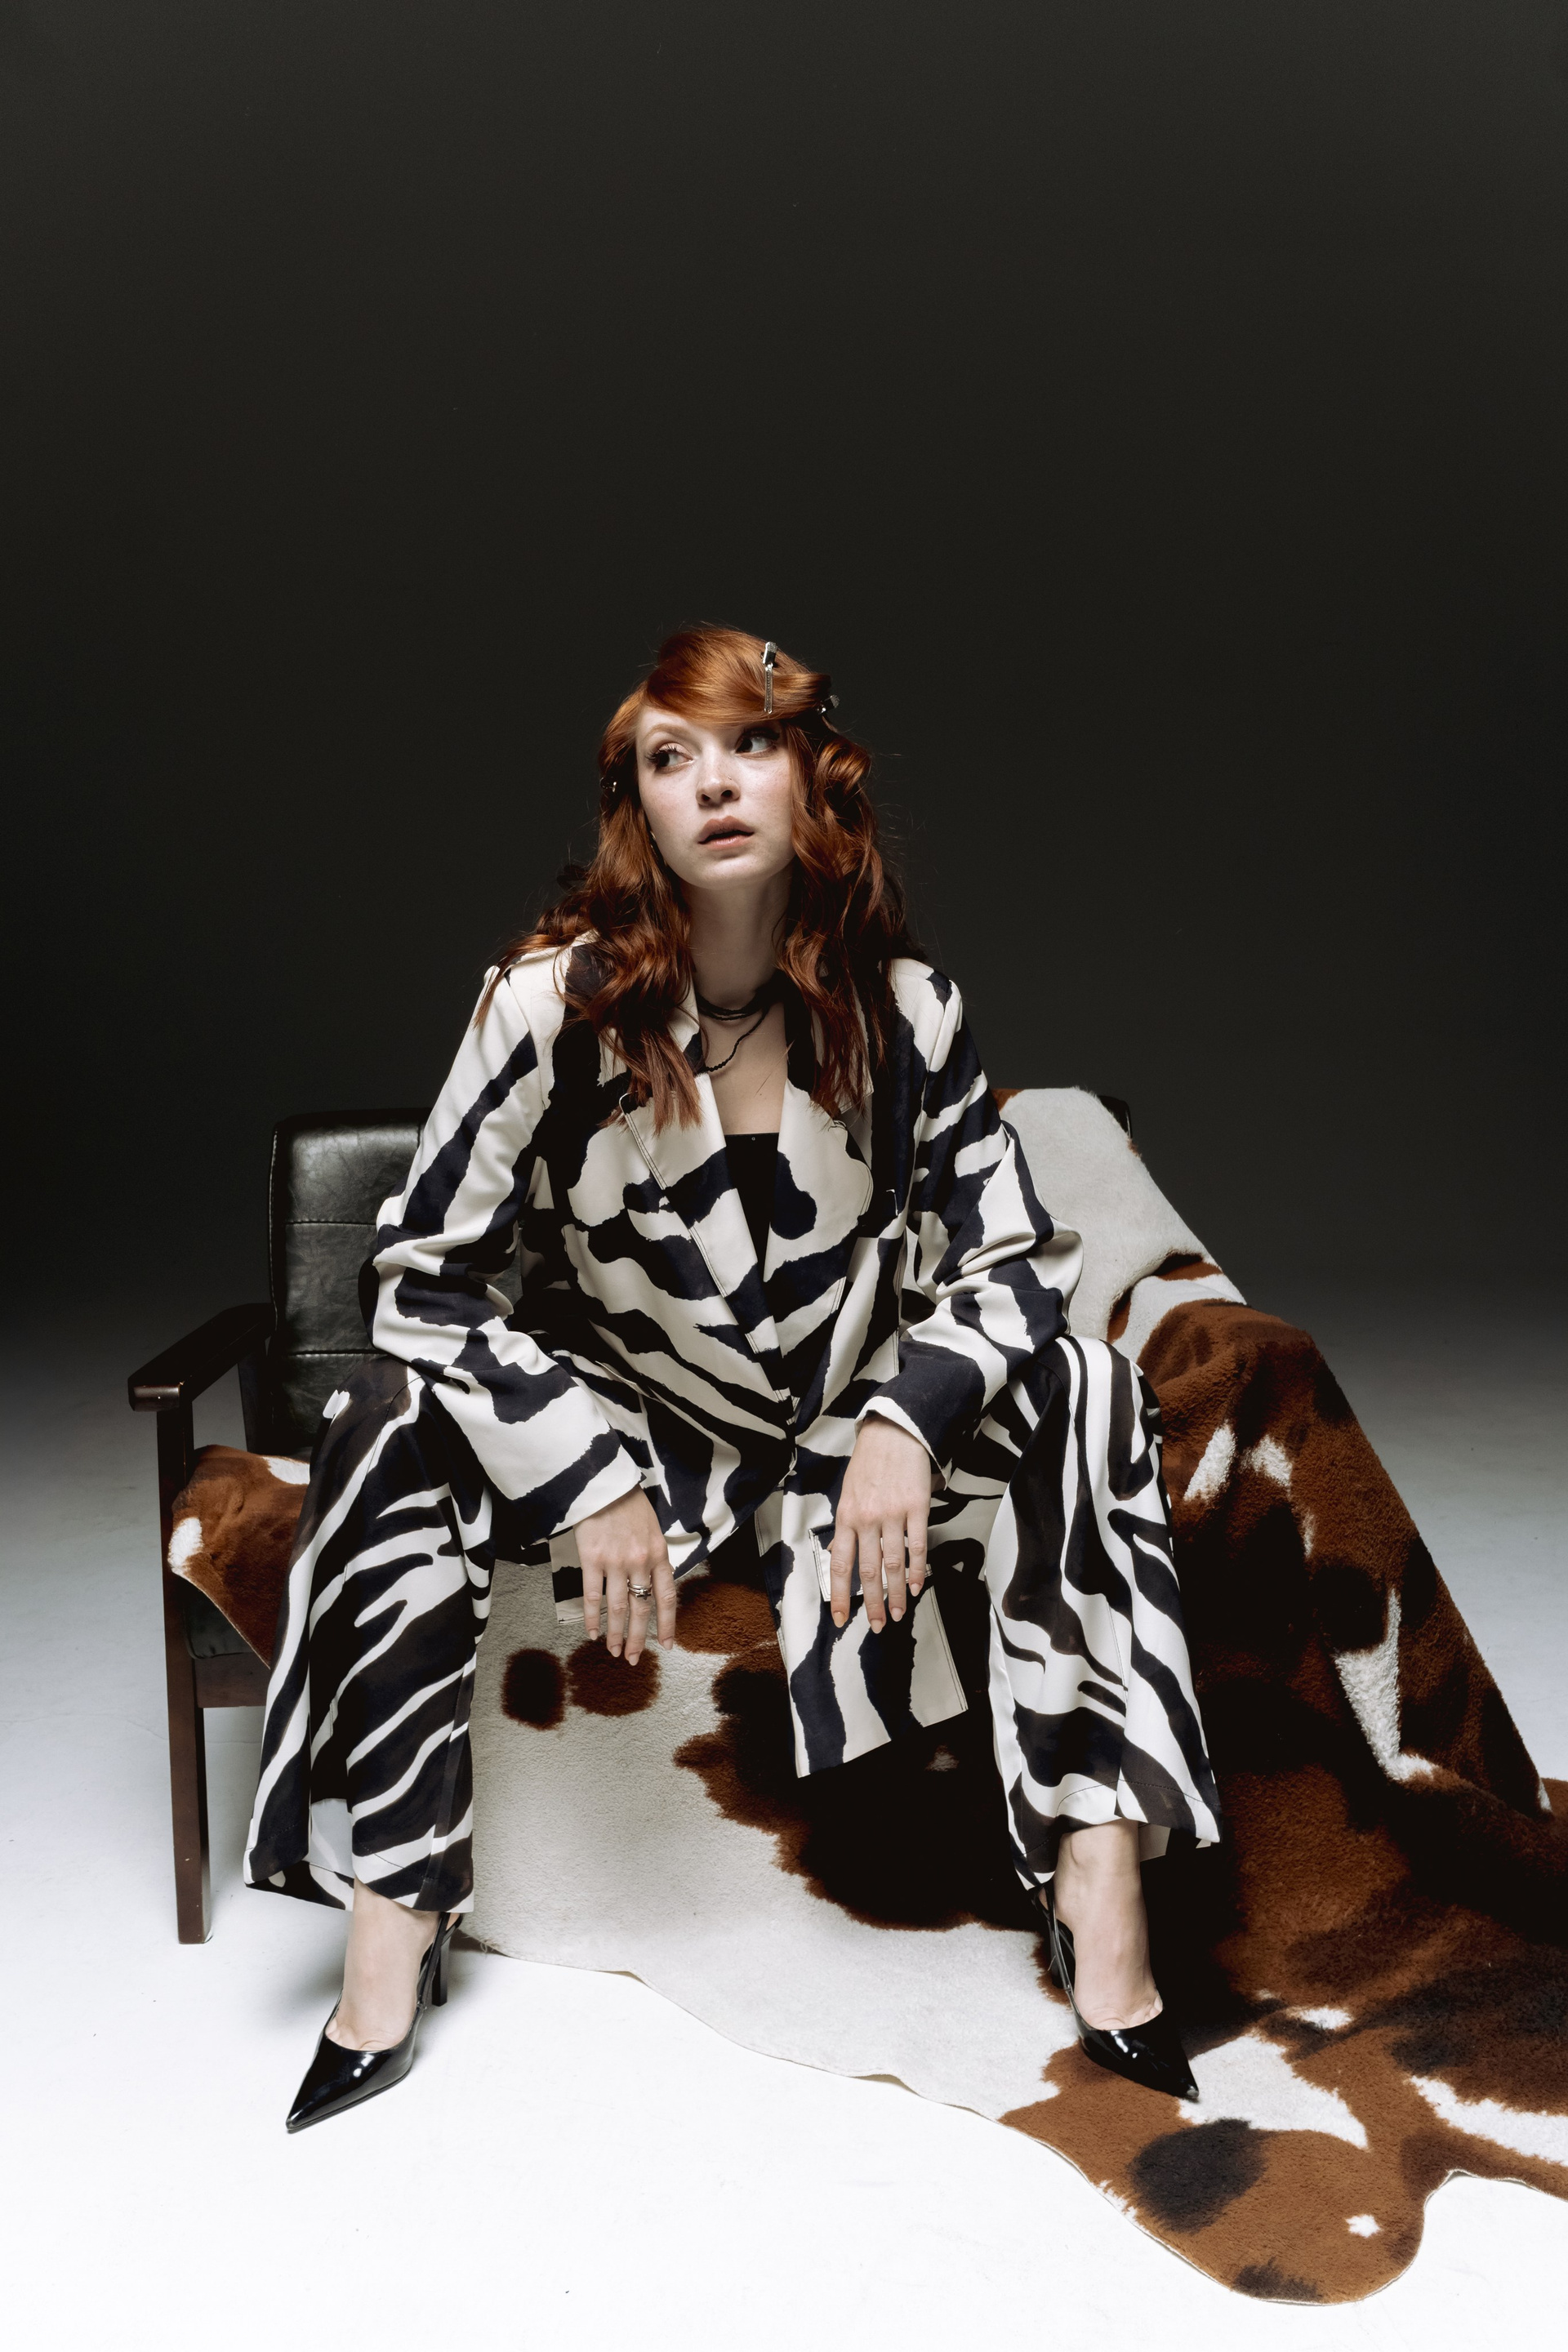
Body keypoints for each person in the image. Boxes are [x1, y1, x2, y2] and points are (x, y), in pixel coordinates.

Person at [247, 626, 1222, 2132]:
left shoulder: (906, 1012)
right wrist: (582, 1470)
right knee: (384, 1418)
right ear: (635, 804)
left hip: (847, 1441)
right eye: (670, 757)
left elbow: (1018, 1260)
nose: (713, 784)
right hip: (647, 1433)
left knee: (1083, 1383)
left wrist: (909, 1421)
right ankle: (396, 1905)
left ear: (810, 773)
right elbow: (421, 1281)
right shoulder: (549, 1008)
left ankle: (1099, 1884)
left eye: (749, 744)